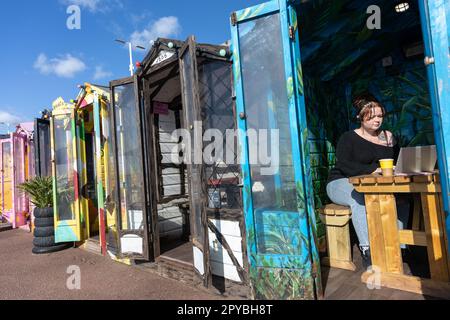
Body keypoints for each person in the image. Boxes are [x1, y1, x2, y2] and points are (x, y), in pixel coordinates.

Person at [326, 93, 409, 268]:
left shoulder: (387, 137)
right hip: (341, 181)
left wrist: (396, 167)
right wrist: (374, 170)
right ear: (360, 117)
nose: (377, 120)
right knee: (360, 197)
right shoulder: (348, 137)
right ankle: (367, 249)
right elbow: (344, 164)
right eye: (371, 117)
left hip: (374, 184)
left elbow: (398, 160)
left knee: (402, 199)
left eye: (380, 116)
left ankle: (398, 246)